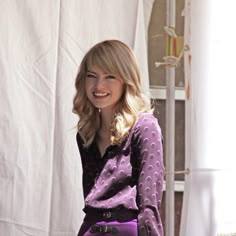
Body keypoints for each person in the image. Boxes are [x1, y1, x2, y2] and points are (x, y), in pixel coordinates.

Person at [73, 40, 164, 236]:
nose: (99, 85)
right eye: (92, 76)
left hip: (128, 229)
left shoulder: (144, 127)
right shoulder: (86, 133)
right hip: (91, 229)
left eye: (110, 76)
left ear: (126, 80)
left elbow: (149, 206)